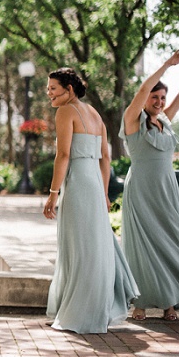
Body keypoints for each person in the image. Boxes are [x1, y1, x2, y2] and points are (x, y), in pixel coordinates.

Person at [42, 67, 138, 333]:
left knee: (77, 246)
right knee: (93, 245)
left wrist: (53, 194)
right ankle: (90, 307)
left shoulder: (65, 112)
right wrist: (104, 192)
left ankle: (78, 311)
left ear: (68, 89)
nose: (48, 93)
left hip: (78, 182)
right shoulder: (94, 113)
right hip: (94, 182)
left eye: (52, 88)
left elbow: (63, 156)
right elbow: (105, 158)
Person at [120, 50, 179, 321]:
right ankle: (141, 304)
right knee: (143, 247)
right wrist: (166, 65)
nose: (158, 101)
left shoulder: (165, 122)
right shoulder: (133, 121)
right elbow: (144, 87)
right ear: (145, 98)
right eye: (154, 97)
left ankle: (170, 302)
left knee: (174, 240)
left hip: (167, 191)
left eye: (161, 98)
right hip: (142, 192)